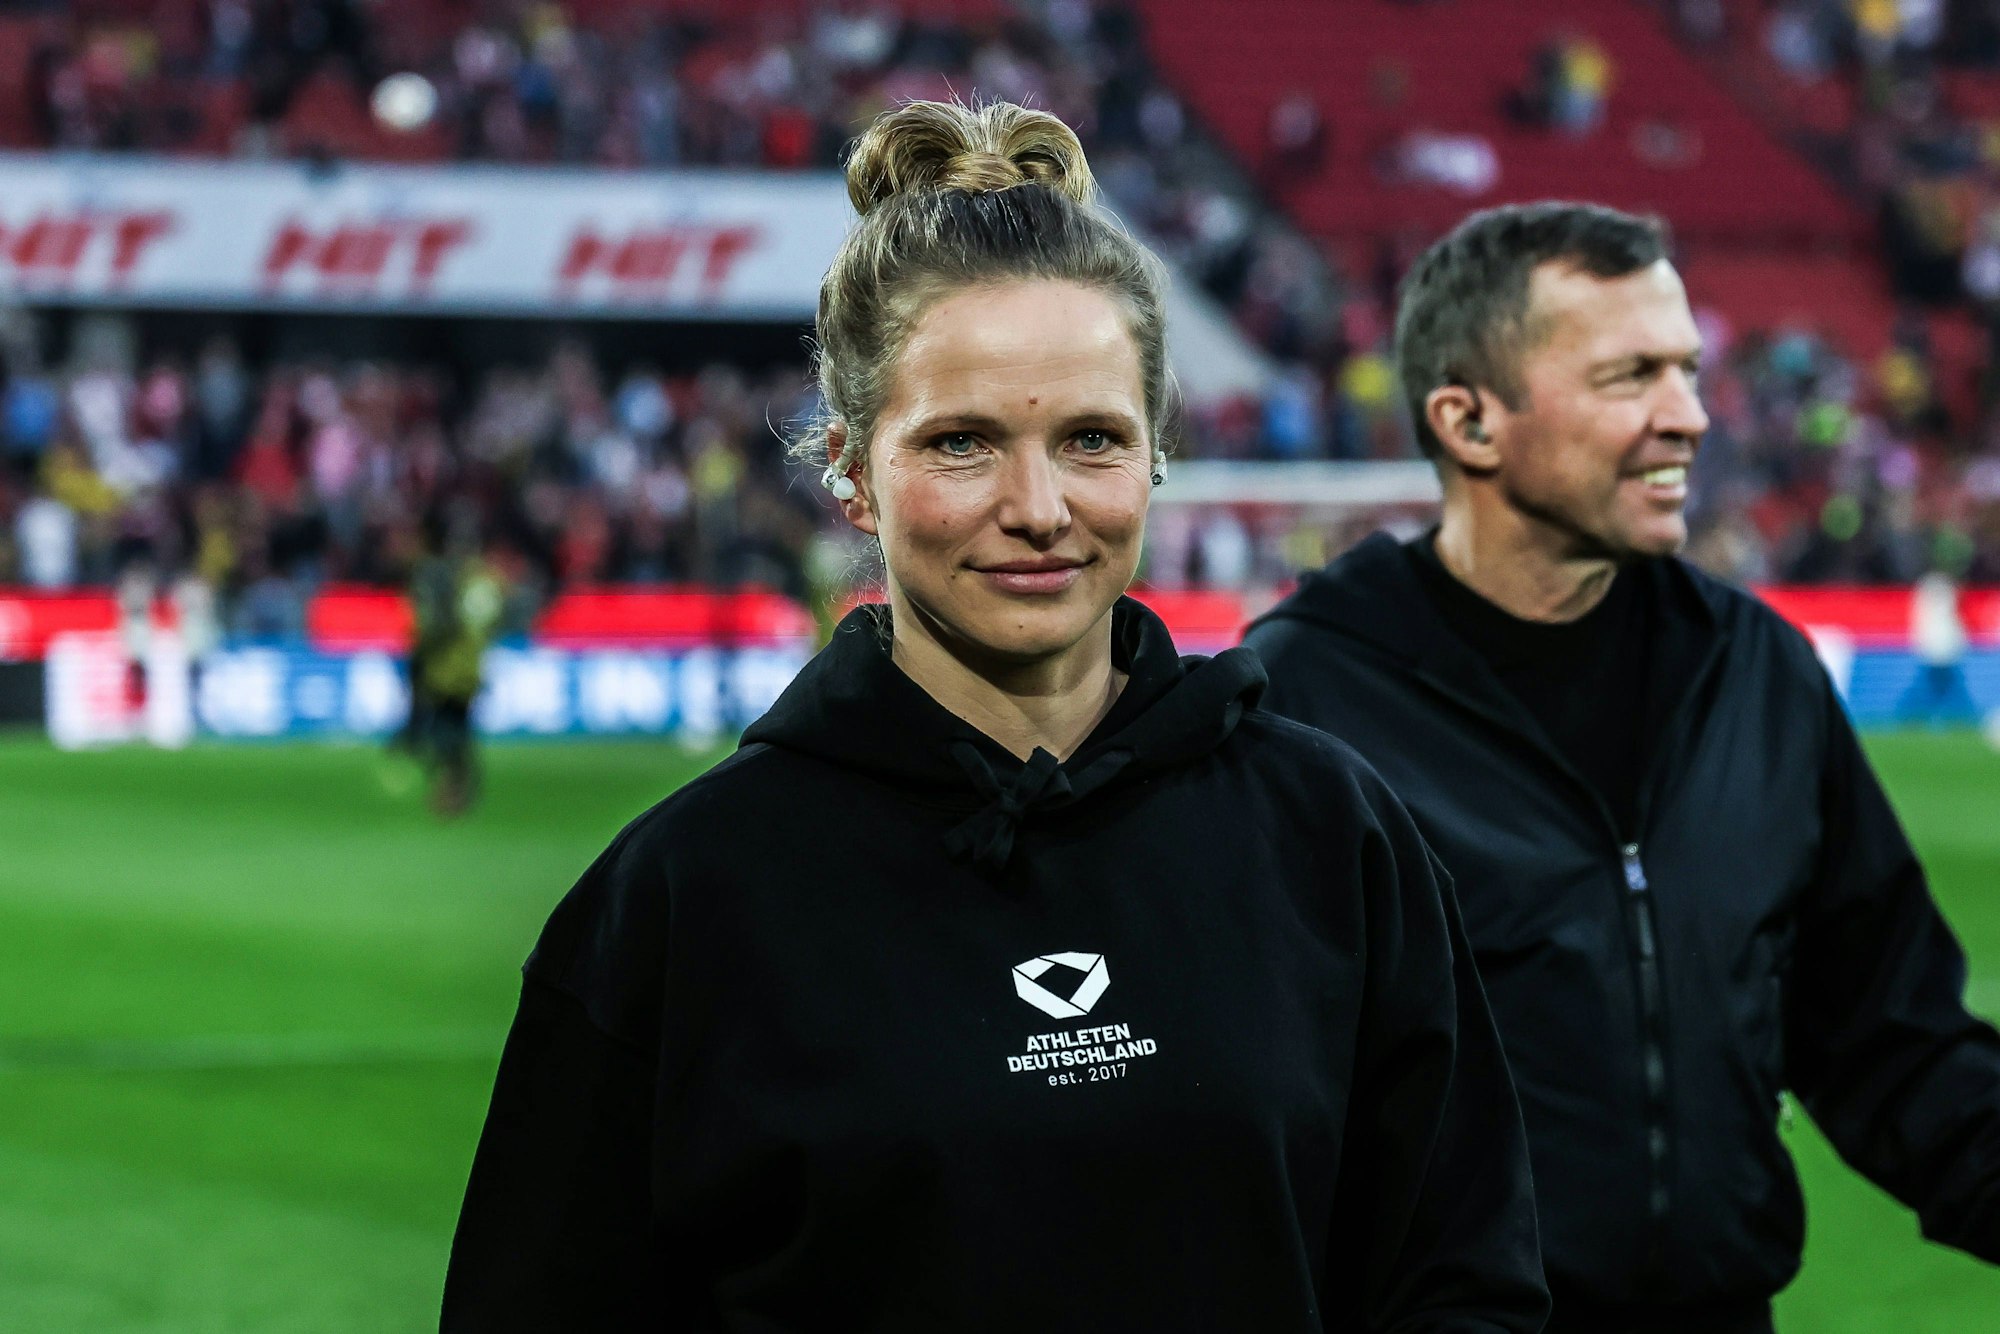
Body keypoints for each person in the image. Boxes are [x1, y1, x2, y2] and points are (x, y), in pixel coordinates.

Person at [441, 101, 1549, 1332]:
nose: (1037, 506)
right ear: (853, 471)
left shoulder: (1331, 838)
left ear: (1156, 457)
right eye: (962, 443)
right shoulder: (679, 899)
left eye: (1089, 439)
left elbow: (1465, 1282)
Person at [1245, 201, 2000, 1333]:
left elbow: (1892, 1040)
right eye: (1628, 376)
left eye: (1689, 370)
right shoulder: (1300, 706)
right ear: (1467, 419)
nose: (1689, 416)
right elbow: (1232, 1118)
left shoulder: (1755, 669)